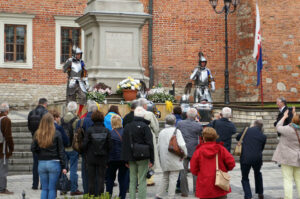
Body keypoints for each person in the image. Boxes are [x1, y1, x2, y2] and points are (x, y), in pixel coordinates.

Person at [190, 127, 235, 199]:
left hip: (204, 184)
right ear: (215, 137)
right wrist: (224, 169)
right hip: (220, 184)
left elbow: (193, 169)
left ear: (203, 138)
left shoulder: (199, 151)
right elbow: (231, 163)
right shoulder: (221, 149)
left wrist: (201, 173)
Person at [31, 113, 67, 199]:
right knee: (52, 189)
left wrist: (39, 153)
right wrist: (64, 166)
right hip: (54, 162)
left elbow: (33, 148)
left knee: (44, 188)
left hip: (42, 162)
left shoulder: (38, 133)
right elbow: (61, 151)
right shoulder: (57, 133)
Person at [121, 107, 154, 199]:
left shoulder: (128, 126)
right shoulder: (145, 127)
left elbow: (125, 144)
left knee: (132, 180)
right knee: (142, 180)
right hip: (144, 156)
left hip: (131, 156)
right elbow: (150, 144)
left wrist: (125, 160)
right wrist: (152, 159)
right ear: (143, 115)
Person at [156, 114, 187, 199]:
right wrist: (185, 154)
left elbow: (158, 146)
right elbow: (182, 145)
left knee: (165, 177)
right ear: (174, 122)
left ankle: (159, 195)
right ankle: (171, 196)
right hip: (175, 157)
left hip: (164, 158)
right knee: (173, 177)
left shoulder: (162, 132)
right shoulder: (177, 131)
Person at [81, 110, 111, 196]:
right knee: (101, 178)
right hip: (102, 157)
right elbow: (110, 145)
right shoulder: (106, 130)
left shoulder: (89, 130)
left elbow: (84, 145)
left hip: (91, 157)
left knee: (91, 179)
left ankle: (91, 196)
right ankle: (100, 196)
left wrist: (84, 152)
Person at [272, 108, 300, 199]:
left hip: (287, 158)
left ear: (293, 120)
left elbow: (278, 126)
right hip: (298, 158)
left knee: (287, 179)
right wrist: (294, 114)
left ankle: (288, 197)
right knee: (298, 180)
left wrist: (284, 117)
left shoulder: (287, 129)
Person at [236, 120, 266, 199]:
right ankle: (260, 192)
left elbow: (237, 137)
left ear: (254, 124)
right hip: (257, 158)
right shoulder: (263, 136)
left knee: (245, 177)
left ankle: (248, 196)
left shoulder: (247, 130)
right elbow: (261, 148)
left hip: (245, 157)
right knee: (258, 173)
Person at [177, 108, 202, 197]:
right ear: (195, 116)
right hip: (194, 149)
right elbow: (201, 135)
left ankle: (184, 192)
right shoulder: (198, 125)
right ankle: (196, 191)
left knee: (183, 171)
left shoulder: (180, 123)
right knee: (195, 171)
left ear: (187, 115)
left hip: (183, 149)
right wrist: (197, 122)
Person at [76, 100, 99, 194]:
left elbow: (76, 135)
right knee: (97, 174)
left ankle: (87, 193)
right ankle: (96, 193)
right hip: (97, 151)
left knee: (85, 174)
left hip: (85, 151)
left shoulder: (81, 121)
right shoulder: (99, 121)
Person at [61, 101, 83, 196]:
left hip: (64, 147)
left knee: (64, 168)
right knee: (73, 169)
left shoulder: (62, 119)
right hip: (73, 148)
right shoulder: (76, 120)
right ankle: (73, 189)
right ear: (75, 109)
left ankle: (63, 188)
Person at [106, 115, 129, 199]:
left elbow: (107, 148)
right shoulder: (126, 132)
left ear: (112, 123)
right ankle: (122, 196)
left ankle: (108, 196)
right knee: (123, 179)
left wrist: (106, 161)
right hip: (123, 159)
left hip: (112, 159)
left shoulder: (109, 133)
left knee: (110, 179)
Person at [138, 98, 159, 186]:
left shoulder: (135, 113)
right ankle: (149, 180)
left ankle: (139, 180)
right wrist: (156, 135)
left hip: (138, 137)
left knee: (140, 158)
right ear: (144, 106)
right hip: (149, 135)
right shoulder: (149, 114)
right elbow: (155, 127)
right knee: (150, 157)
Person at [27, 98, 48, 190]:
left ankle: (34, 184)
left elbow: (29, 126)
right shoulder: (45, 112)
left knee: (35, 163)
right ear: (45, 104)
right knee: (43, 163)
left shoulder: (31, 113)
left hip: (34, 139)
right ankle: (43, 185)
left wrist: (33, 134)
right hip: (43, 141)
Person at [63, 46, 89, 116]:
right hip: (72, 81)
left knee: (83, 96)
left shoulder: (82, 62)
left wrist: (86, 83)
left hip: (80, 82)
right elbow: (64, 70)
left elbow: (85, 73)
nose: (79, 55)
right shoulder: (70, 61)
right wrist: (68, 64)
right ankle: (71, 114)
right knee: (71, 99)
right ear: (74, 54)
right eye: (77, 54)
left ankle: (79, 112)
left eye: (80, 54)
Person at [0, 103, 14, 194]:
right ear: (7, 110)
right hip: (2, 149)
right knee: (3, 169)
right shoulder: (6, 120)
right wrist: (11, 147)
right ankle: (2, 188)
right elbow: (8, 136)